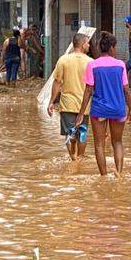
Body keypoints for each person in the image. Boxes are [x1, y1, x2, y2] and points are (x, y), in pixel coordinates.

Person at [74, 31, 131, 176]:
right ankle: (119, 173)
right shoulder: (120, 65)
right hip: (118, 109)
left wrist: (81, 113)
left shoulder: (92, 65)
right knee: (117, 142)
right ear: (112, 48)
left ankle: (104, 176)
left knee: (99, 144)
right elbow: (126, 90)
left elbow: (88, 91)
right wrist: (130, 110)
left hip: (99, 110)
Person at [47, 29, 91, 162]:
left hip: (67, 104)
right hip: (84, 105)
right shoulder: (90, 62)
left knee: (69, 133)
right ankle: (80, 158)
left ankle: (73, 158)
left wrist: (51, 102)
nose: (89, 46)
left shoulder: (63, 60)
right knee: (82, 133)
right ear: (82, 44)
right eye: (88, 43)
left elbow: (57, 83)